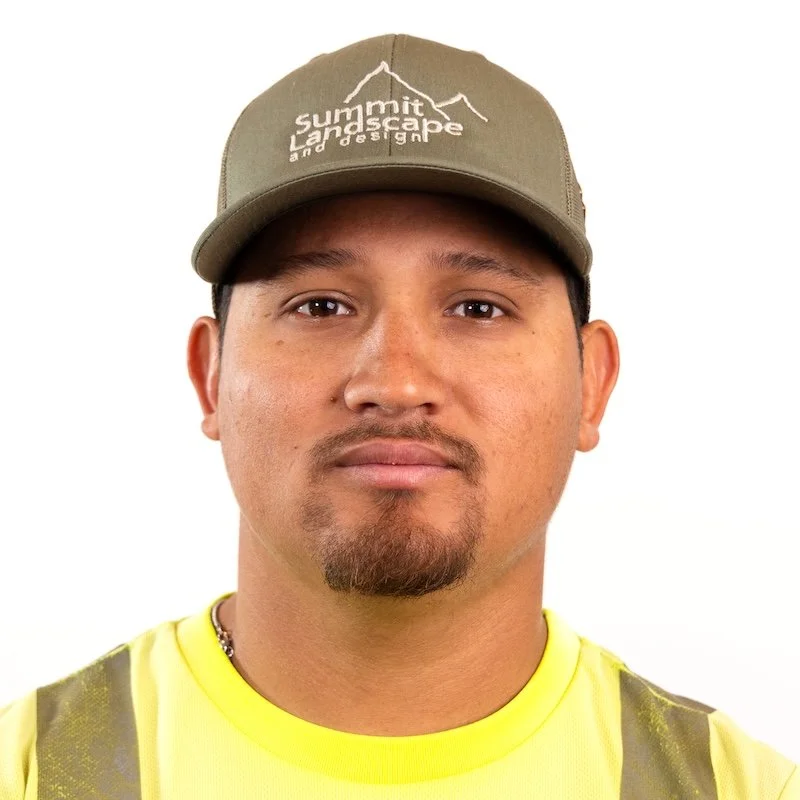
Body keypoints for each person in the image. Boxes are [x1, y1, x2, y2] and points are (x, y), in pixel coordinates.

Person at [0, 33, 796, 800]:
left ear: (593, 383)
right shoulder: (31, 772)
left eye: (478, 308)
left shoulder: (739, 789)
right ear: (211, 376)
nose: (394, 380)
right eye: (320, 304)